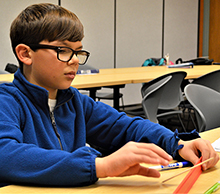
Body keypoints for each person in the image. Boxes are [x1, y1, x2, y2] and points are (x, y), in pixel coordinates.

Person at [0, 3, 218, 187]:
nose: (75, 60)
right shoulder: (6, 101)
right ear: (25, 54)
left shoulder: (75, 102)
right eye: (64, 51)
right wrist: (99, 166)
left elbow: (125, 127)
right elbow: (6, 155)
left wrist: (177, 144)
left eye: (78, 52)